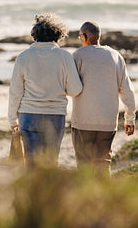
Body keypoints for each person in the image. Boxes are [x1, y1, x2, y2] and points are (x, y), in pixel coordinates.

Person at [8, 14, 83, 165]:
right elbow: (76, 90)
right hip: (55, 115)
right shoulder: (64, 57)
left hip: (28, 115)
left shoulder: (23, 57)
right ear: (58, 34)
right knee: (50, 163)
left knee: (31, 163)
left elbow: (15, 91)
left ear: (35, 34)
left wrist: (12, 118)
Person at [71, 21, 136, 173]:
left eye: (81, 36)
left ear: (84, 36)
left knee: (84, 167)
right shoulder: (116, 56)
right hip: (107, 123)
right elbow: (127, 90)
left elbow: (71, 88)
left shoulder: (78, 56)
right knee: (103, 165)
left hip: (83, 123)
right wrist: (129, 118)